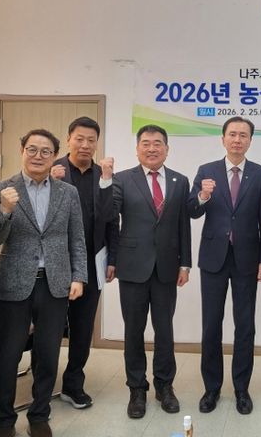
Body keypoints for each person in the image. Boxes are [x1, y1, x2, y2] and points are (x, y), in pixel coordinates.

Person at [0, 129, 87, 437]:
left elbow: (76, 238)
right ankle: (3, 422)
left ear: (55, 156)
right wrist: (5, 210)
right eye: (32, 149)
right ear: (22, 151)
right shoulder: (1, 190)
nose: (38, 156)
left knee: (47, 354)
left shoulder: (68, 193)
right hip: (13, 283)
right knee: (8, 355)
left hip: (55, 283)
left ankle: (40, 414)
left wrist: (78, 276)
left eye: (45, 151)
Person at [188, 116, 261, 414]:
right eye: (232, 134)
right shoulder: (206, 171)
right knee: (211, 325)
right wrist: (203, 195)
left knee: (245, 325)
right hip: (214, 257)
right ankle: (211, 388)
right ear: (223, 138)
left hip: (247, 258)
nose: (237, 139)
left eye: (243, 135)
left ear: (250, 140)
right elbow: (192, 210)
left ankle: (241, 389)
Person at [112, 124, 191, 419]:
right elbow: (110, 218)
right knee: (133, 330)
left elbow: (183, 224)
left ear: (167, 149)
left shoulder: (180, 181)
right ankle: (136, 389)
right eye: (146, 143)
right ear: (137, 149)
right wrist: (111, 260)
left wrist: (185, 263)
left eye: (158, 143)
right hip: (132, 266)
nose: (152, 148)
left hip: (167, 267)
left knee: (164, 330)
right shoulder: (122, 179)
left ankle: (164, 386)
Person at [50, 116, 118, 409]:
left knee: (82, 328)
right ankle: (42, 385)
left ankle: (73, 385)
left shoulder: (102, 175)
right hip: (54, 263)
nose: (85, 145)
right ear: (68, 139)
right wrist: (49, 183)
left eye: (91, 140)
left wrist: (112, 258)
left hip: (91, 262)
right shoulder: (52, 170)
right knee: (50, 328)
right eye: (79, 139)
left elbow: (111, 219)